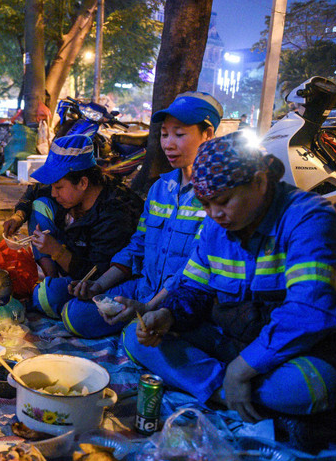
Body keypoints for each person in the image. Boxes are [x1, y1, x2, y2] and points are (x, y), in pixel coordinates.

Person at [125, 132, 336, 449]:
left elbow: (310, 313)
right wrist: (168, 315)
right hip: (232, 338)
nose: (214, 214)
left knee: (305, 388)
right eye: (206, 204)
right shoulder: (215, 226)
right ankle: (253, 405)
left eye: (223, 201)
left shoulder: (310, 218)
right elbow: (194, 290)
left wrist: (241, 369)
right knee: (136, 337)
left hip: (303, 350)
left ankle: (237, 394)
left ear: (259, 181)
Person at [66, 92, 222, 338]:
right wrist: (99, 285)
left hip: (178, 303)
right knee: (75, 314)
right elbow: (137, 245)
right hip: (144, 289)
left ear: (208, 134)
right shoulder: (160, 188)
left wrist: (150, 307)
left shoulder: (218, 197)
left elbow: (194, 268)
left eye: (179, 134)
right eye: (164, 134)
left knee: (139, 336)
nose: (168, 144)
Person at [28, 134, 143, 331]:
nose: (54, 193)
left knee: (64, 310)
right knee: (39, 206)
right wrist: (19, 214)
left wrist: (56, 251)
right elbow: (36, 190)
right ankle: (53, 280)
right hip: (79, 270)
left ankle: (60, 295)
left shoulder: (115, 213)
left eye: (59, 187)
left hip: (104, 278)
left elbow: (97, 274)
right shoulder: (74, 193)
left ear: (82, 182)